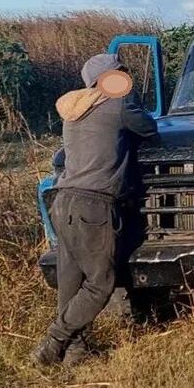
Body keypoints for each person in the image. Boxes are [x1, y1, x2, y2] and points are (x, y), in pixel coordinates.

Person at [31, 54, 158, 367]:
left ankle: (74, 351)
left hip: (63, 201)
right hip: (94, 204)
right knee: (100, 283)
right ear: (106, 80)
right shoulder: (117, 106)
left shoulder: (74, 110)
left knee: (71, 280)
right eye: (119, 75)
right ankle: (52, 344)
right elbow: (149, 129)